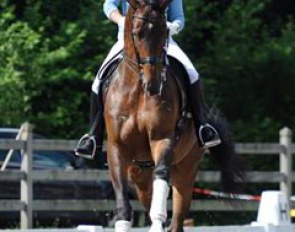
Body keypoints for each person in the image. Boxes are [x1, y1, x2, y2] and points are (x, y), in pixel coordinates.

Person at [75, 0, 221, 159]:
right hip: (129, 40)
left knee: (192, 73)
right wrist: (121, 20)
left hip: (162, 41)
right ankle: (93, 136)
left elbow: (179, 18)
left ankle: (202, 127)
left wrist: (173, 27)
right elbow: (108, 5)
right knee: (99, 80)